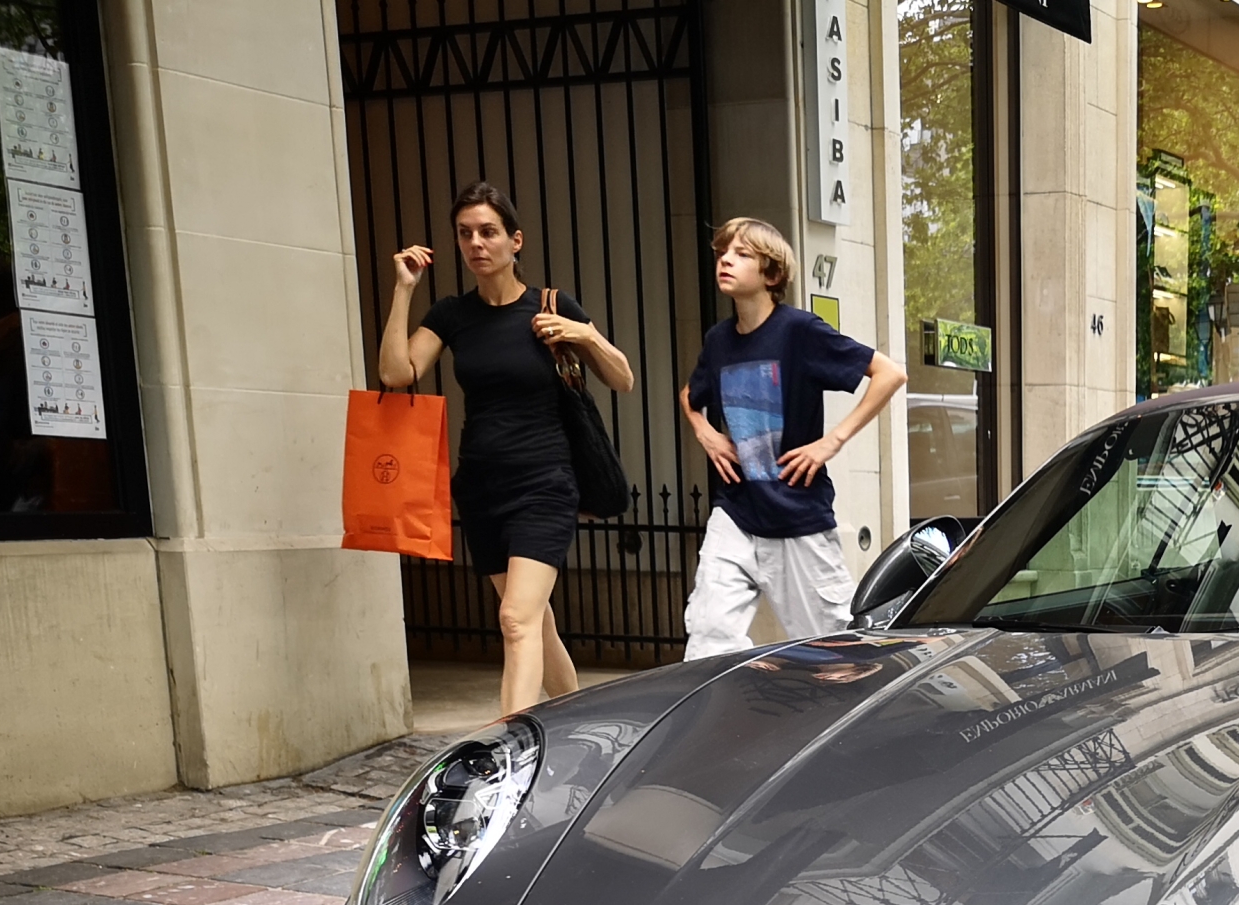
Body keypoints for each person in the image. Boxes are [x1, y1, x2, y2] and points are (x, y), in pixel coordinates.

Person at [378, 182, 635, 715]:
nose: (477, 243)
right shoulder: (452, 314)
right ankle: (584, 726)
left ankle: (507, 747)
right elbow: (395, 372)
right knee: (535, 621)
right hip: (480, 486)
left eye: (489, 232)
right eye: (466, 234)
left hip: (544, 482)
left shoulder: (551, 305)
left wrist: (583, 335)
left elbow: (622, 378)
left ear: (514, 241)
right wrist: (404, 289)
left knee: (516, 620)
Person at [679, 218, 906, 656]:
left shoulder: (799, 331)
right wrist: (705, 432)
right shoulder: (719, 339)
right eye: (723, 252)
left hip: (797, 512)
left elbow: (890, 373)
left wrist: (832, 441)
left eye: (742, 254)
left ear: (772, 274)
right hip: (737, 511)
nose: (726, 259)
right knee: (708, 634)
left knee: (834, 650)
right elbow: (691, 393)